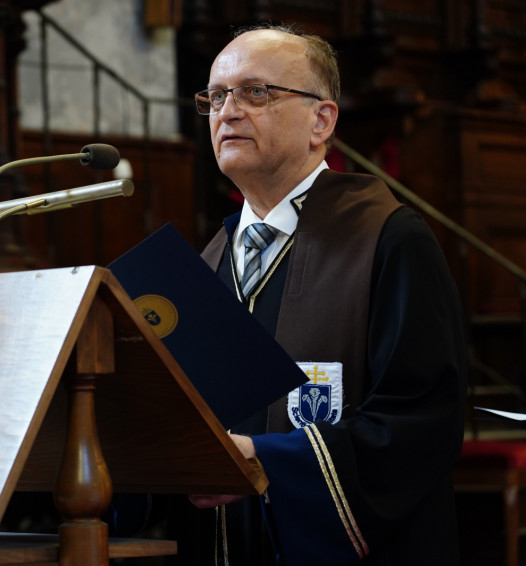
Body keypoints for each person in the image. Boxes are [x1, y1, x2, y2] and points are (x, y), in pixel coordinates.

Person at [186, 23, 468, 565]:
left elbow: (421, 421)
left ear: (322, 120)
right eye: (216, 97)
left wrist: (267, 461)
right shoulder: (208, 261)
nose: (228, 112)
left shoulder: (388, 239)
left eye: (255, 92)